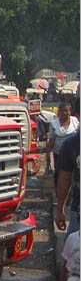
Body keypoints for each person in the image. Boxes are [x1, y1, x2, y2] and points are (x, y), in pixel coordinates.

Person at [55, 97, 80, 237]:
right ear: (78, 116)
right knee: (72, 253)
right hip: (77, 214)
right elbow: (64, 179)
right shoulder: (71, 145)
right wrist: (60, 210)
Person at [45, 101, 79, 186]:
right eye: (63, 111)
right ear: (59, 112)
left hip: (73, 154)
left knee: (72, 173)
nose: (65, 113)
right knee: (59, 173)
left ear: (70, 112)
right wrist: (48, 153)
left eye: (67, 111)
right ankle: (58, 191)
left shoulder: (76, 122)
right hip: (59, 154)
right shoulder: (54, 124)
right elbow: (52, 140)